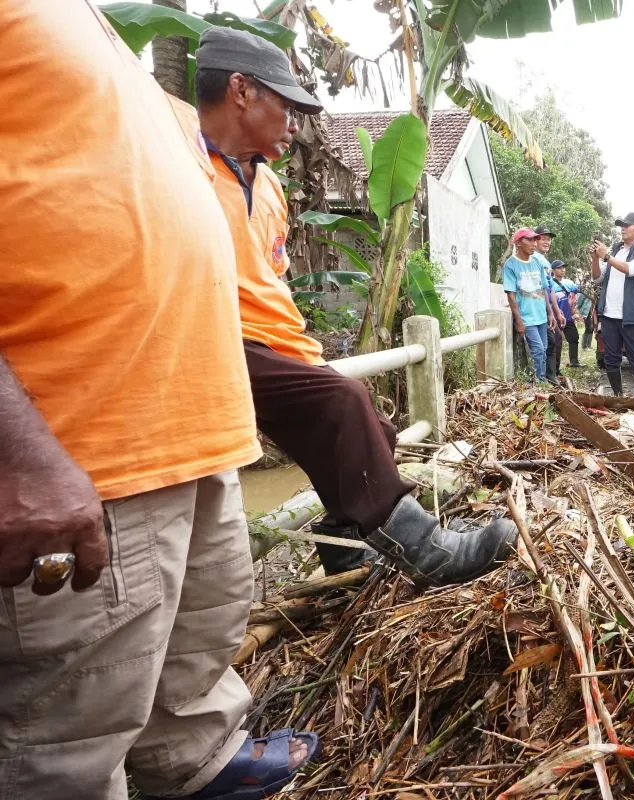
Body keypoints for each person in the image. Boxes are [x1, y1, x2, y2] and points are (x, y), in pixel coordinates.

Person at [0, 6, 316, 796]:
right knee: (64, 737)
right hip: (78, 443)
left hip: (185, 428)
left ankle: (195, 760)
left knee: (195, 646)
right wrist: (18, 454)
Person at [196, 29, 518, 586]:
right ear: (241, 91)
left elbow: (269, 283)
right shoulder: (179, 167)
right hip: (212, 339)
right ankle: (425, 550)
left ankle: (344, 549)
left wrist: (308, 359)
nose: (294, 124)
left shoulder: (268, 187)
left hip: (271, 344)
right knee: (343, 403)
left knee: (373, 421)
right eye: (286, 106)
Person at [591, 212, 634, 398]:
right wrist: (595, 258)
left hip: (631, 317)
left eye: (627, 225)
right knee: (611, 359)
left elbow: (629, 269)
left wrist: (606, 256)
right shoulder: (616, 251)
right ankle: (619, 398)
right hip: (609, 316)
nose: (623, 228)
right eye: (621, 225)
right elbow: (597, 278)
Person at [504, 227, 555, 383]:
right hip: (527, 317)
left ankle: (539, 380)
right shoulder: (511, 265)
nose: (534, 244)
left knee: (543, 349)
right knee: (538, 350)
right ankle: (538, 381)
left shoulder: (537, 263)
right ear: (519, 243)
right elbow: (511, 294)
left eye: (535, 240)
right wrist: (518, 320)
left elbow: (543, 289)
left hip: (541, 316)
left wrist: (550, 313)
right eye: (530, 240)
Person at [533, 225, 566, 385]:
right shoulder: (533, 259)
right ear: (535, 240)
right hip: (537, 308)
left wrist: (557, 311)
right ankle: (545, 376)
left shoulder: (545, 261)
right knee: (550, 341)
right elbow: (540, 288)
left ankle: (552, 373)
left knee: (556, 338)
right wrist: (550, 312)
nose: (547, 242)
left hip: (546, 308)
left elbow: (550, 288)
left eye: (549, 239)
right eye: (543, 239)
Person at [551, 260, 582, 370]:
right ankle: (555, 368)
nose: (563, 270)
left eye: (564, 267)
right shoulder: (550, 283)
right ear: (553, 270)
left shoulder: (569, 283)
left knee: (574, 338)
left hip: (568, 318)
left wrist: (575, 311)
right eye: (559, 268)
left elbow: (577, 292)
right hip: (555, 318)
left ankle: (574, 362)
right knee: (556, 342)